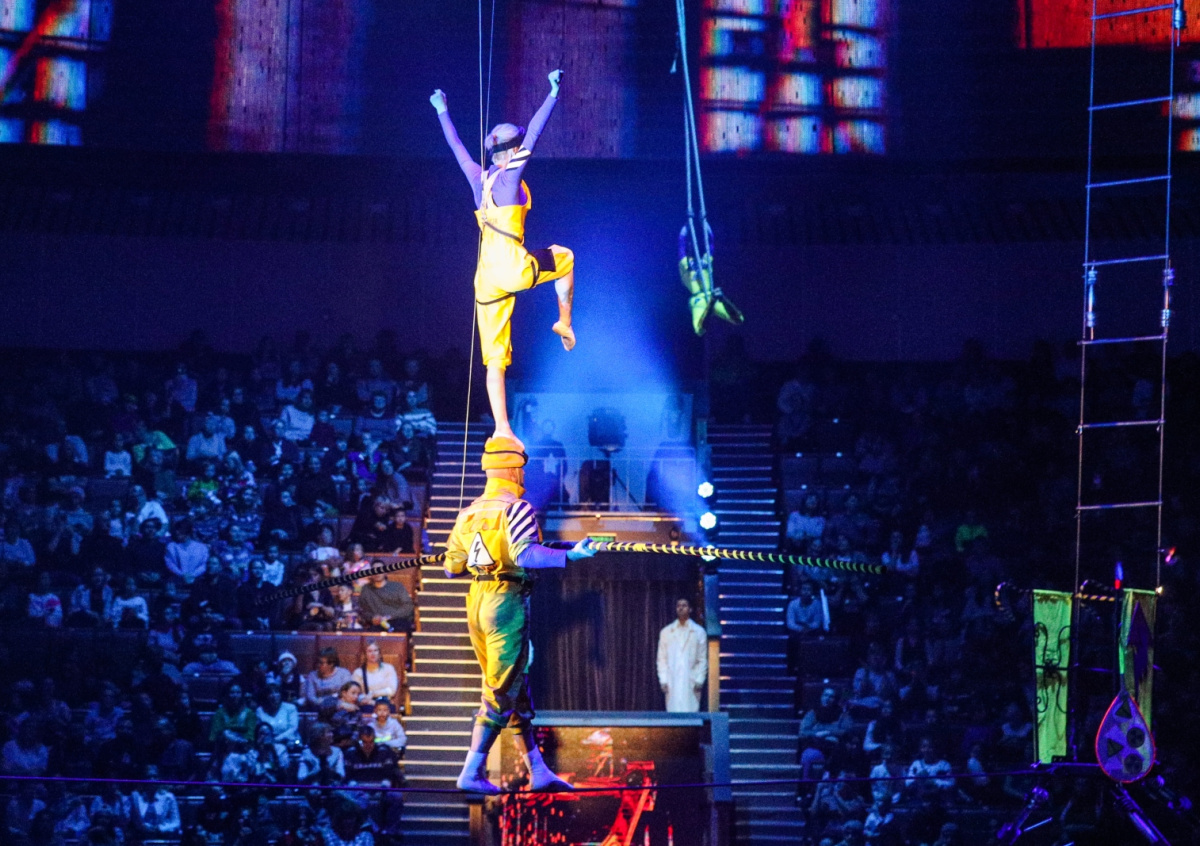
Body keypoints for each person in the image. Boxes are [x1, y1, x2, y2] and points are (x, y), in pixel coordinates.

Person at [431, 70, 577, 446]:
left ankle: (502, 428)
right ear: (511, 152)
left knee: (494, 359)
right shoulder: (510, 178)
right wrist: (553, 93)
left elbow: (457, 147)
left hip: (485, 280)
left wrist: (441, 110)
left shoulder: (479, 179)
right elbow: (535, 134)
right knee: (565, 256)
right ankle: (564, 323)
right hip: (513, 268)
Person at [442, 436, 595, 793]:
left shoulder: (468, 512)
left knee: (513, 686)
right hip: (506, 601)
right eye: (522, 468)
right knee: (500, 689)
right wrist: (571, 556)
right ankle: (471, 770)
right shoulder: (517, 507)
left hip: (477, 602)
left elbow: (451, 568)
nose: (524, 475)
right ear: (512, 470)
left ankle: (537, 769)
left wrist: (568, 546)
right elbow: (525, 555)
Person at [656, 597, 708, 713]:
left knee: (691, 713)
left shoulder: (699, 632)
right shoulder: (666, 632)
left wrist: (700, 679)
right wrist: (663, 679)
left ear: (690, 609)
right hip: (672, 679)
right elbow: (662, 658)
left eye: (684, 605)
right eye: (678, 606)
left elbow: (702, 658)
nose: (681, 608)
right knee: (673, 713)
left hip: (691, 680)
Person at [352, 640, 399, 706]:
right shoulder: (358, 672)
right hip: (367, 704)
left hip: (384, 705)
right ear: (365, 654)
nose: (373, 653)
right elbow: (355, 693)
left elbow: (392, 691)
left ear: (379, 653)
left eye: (375, 650)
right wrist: (365, 700)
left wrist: (373, 693)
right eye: (369, 651)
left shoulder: (389, 668)